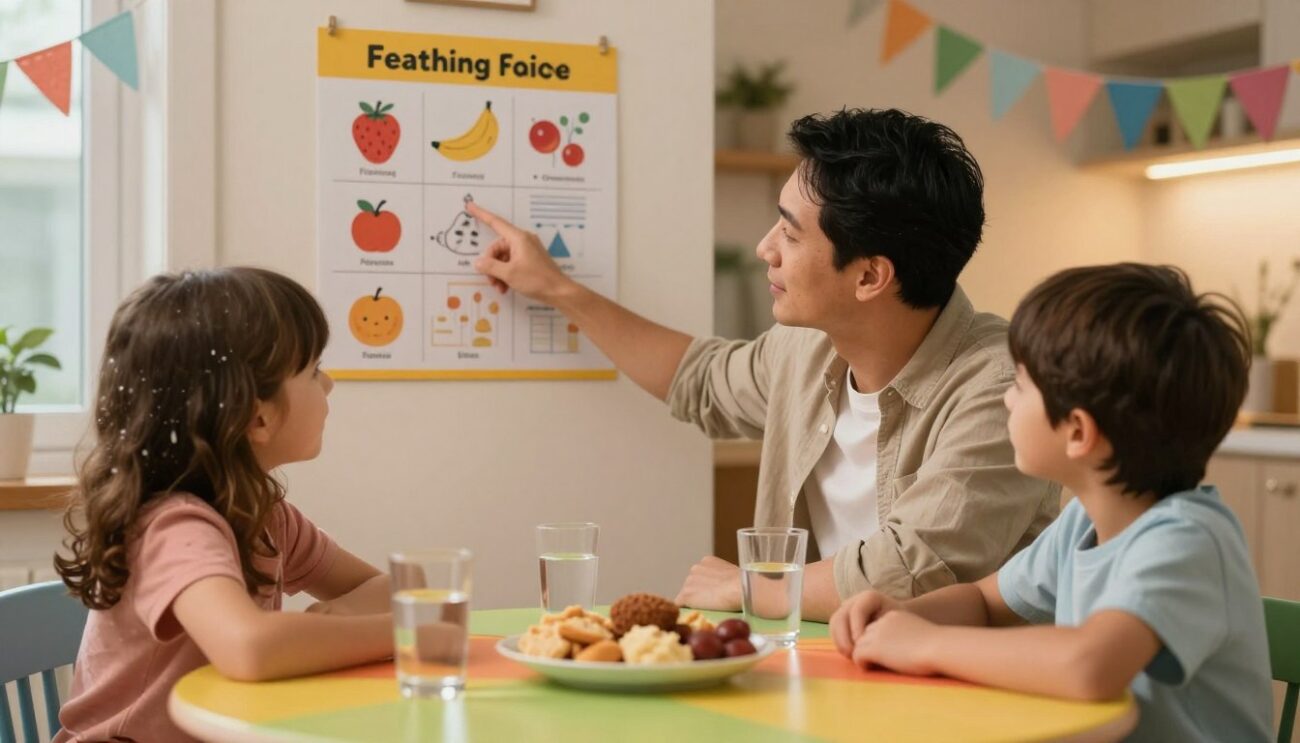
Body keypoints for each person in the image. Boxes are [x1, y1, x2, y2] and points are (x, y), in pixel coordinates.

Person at [469, 108, 1058, 620]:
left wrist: (752, 587)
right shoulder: (808, 348)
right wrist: (556, 290)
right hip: (829, 676)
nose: (764, 248)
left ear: (870, 276)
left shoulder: (1005, 385)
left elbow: (911, 569)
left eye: (791, 234)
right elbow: (698, 379)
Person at [830, 263, 1273, 741]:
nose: (1006, 401)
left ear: (1079, 432)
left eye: (1020, 385)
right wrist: (900, 614)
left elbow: (1089, 665)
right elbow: (983, 601)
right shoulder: (1085, 519)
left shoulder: (1187, 542)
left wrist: (928, 644)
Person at [52, 268, 393, 742]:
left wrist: (323, 625)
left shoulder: (267, 517)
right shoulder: (173, 527)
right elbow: (249, 648)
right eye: (313, 370)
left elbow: (388, 588)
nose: (329, 383)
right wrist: (405, 636)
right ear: (258, 416)